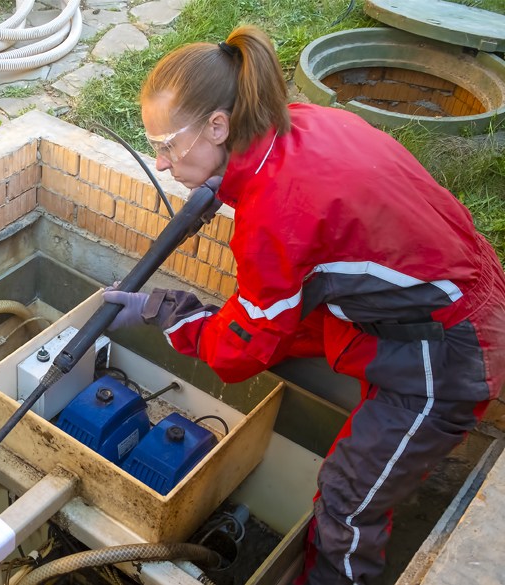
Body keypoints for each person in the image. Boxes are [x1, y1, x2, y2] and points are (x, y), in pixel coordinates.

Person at [102, 24, 505, 585]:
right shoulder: (302, 126)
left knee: (348, 502)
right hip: (446, 296)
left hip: (452, 353)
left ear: (218, 126)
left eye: (166, 145)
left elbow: (240, 352)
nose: (164, 163)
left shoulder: (276, 213)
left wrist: (167, 315)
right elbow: (284, 307)